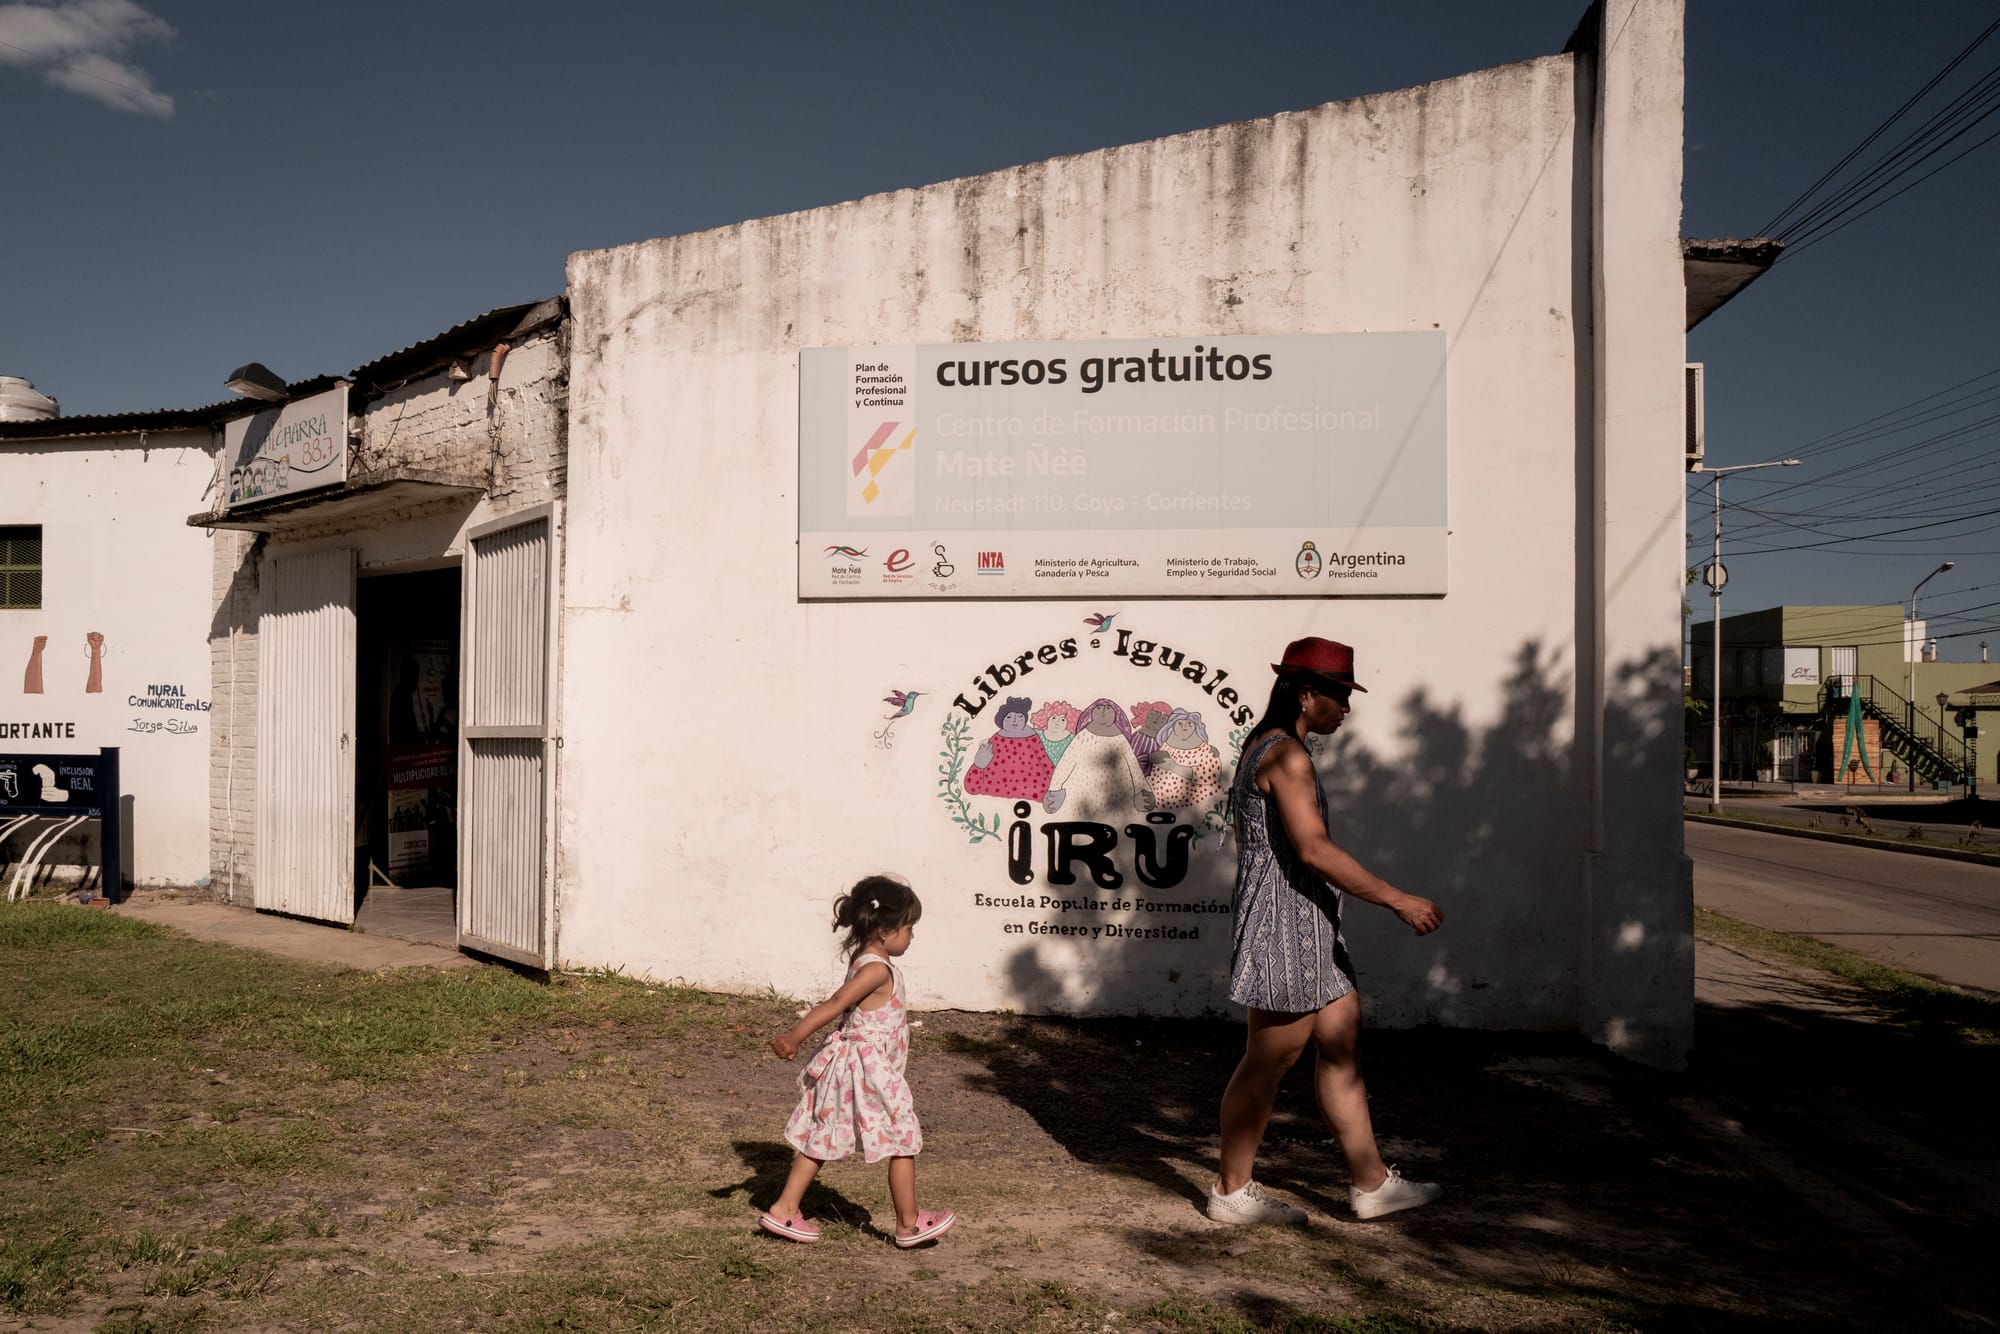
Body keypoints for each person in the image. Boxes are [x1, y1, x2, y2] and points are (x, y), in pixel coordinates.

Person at [1209, 637, 1445, 1225]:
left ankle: (1371, 1185)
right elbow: (1313, 850)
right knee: (1268, 1060)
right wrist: (1397, 900)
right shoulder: (1285, 755)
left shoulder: (1273, 745)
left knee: (1341, 1041)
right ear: (1307, 693)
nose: (1346, 707)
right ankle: (1231, 1192)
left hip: (1312, 925)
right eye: (1339, 695)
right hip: (1283, 928)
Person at [763, 875, 956, 1248]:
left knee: (821, 1133)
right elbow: (835, 1004)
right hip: (869, 1069)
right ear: (885, 929)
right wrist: (794, 1036)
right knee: (901, 1137)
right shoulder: (876, 970)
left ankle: (785, 1209)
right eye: (908, 927)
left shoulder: (865, 960)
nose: (912, 936)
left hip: (852, 1064)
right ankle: (909, 1224)